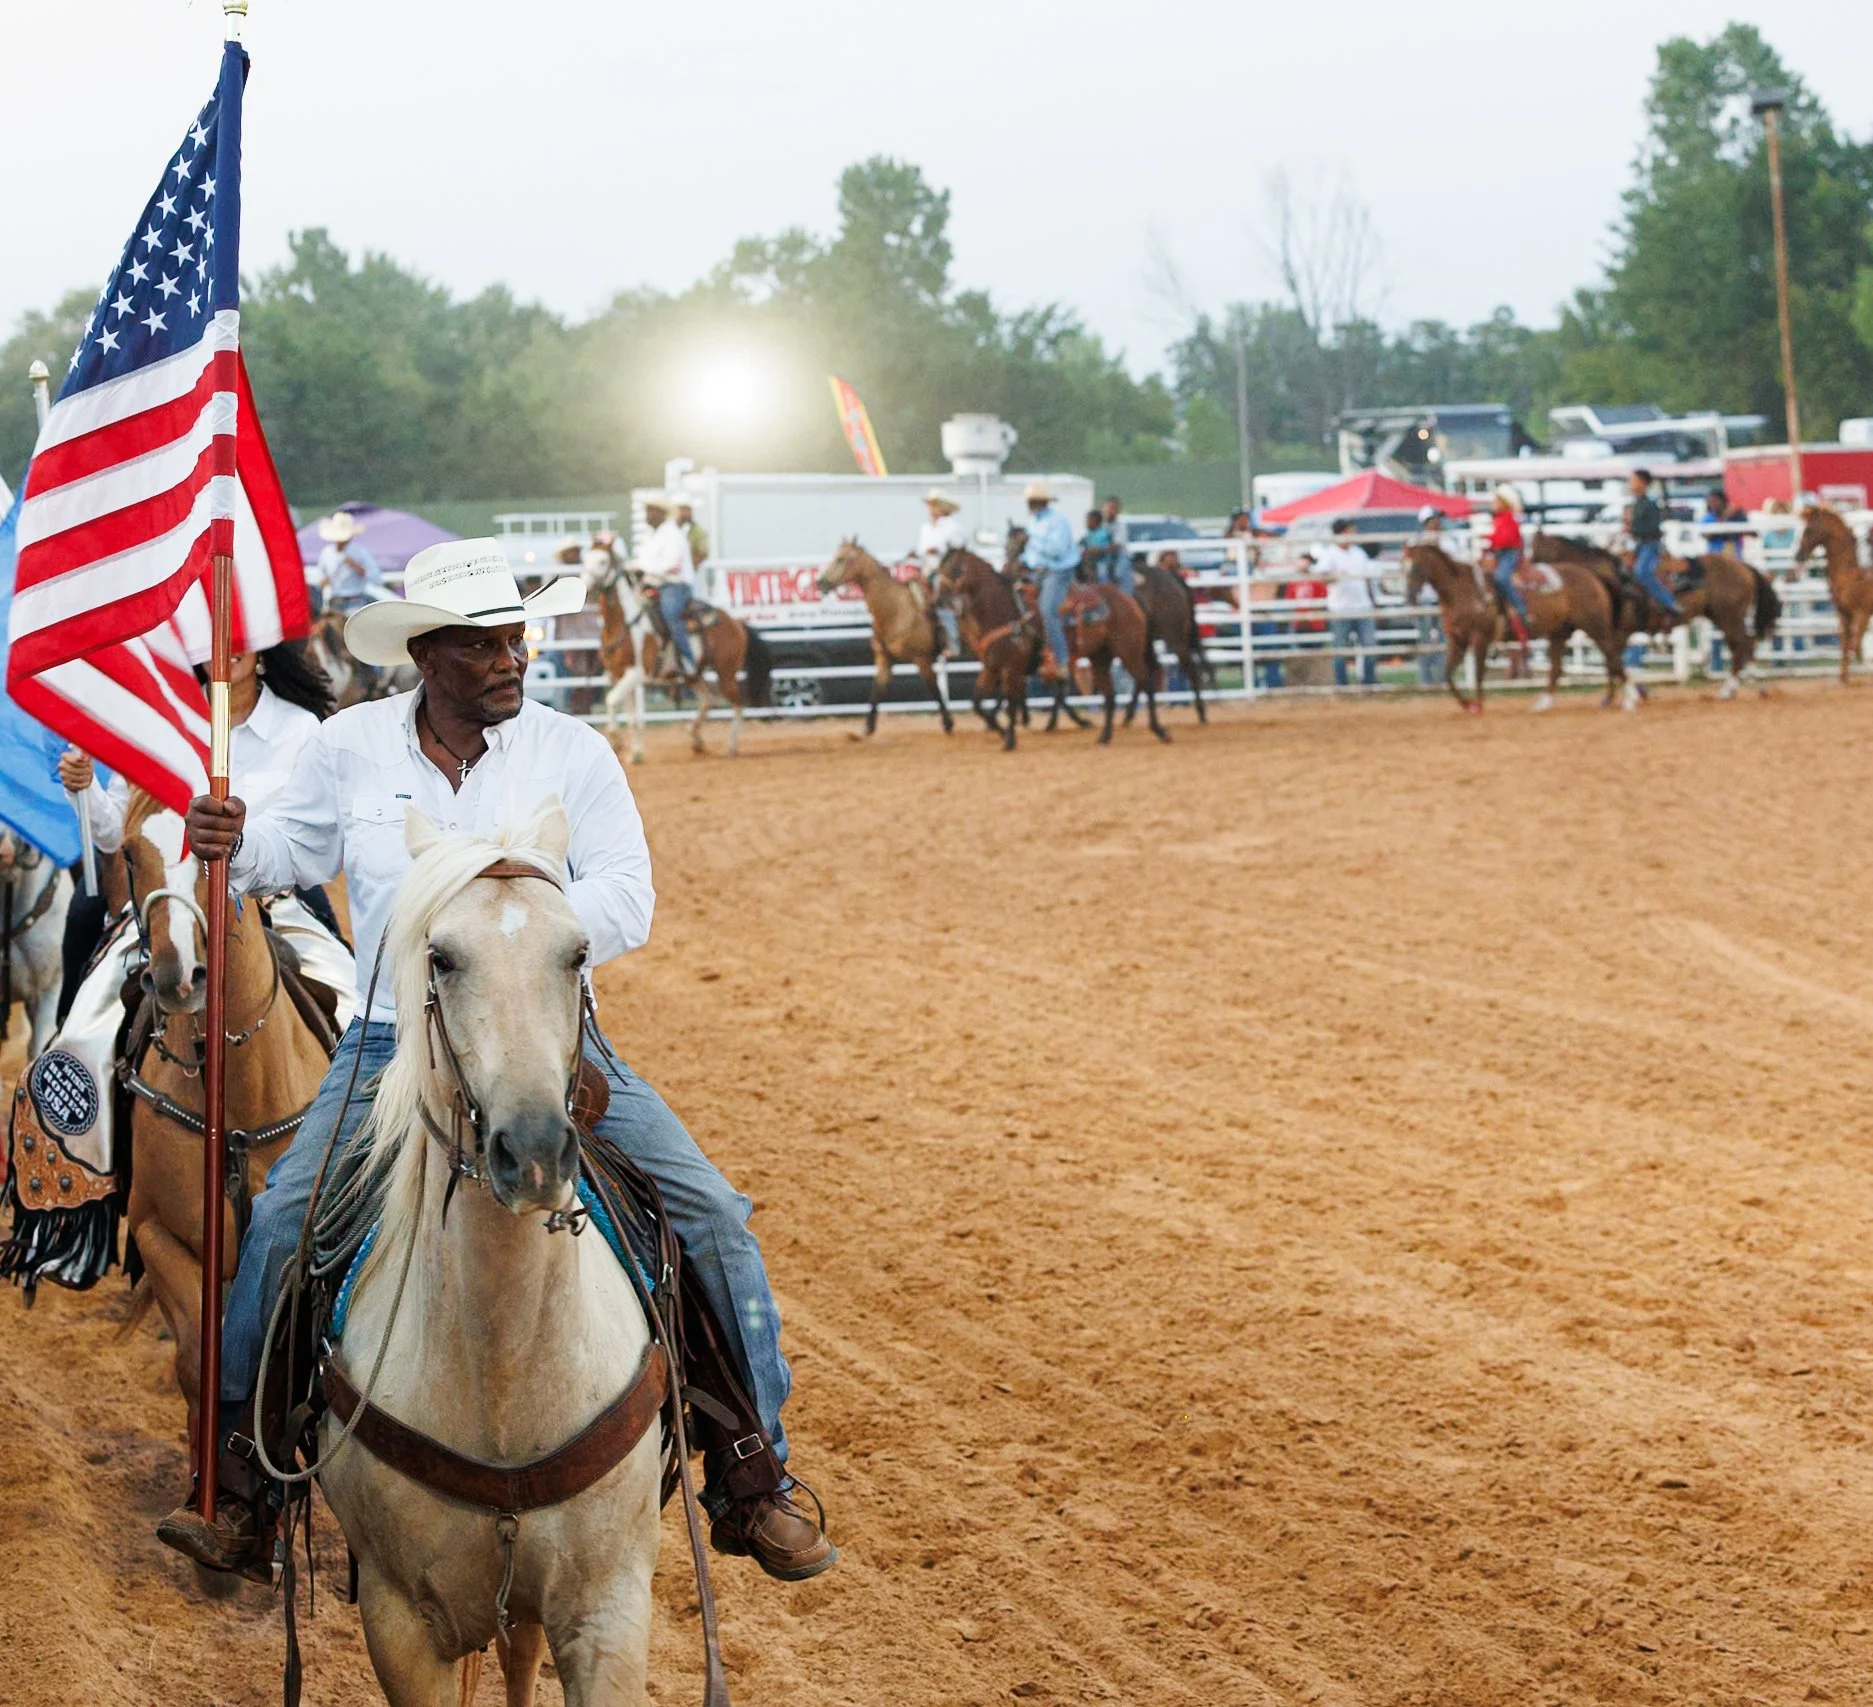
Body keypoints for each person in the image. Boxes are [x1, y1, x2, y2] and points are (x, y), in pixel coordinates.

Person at [155, 540, 834, 1586]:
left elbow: (626, 897)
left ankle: (754, 1470)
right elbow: (279, 855)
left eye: (514, 640)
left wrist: (504, 917)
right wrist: (225, 836)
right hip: (392, 1041)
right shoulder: (347, 749)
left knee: (708, 1214)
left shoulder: (575, 752)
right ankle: (244, 1485)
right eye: (481, 646)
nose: (510, 660)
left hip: (555, 1038)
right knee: (287, 1224)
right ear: (425, 655)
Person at [1019, 481, 1080, 680]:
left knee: (1048, 610)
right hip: (1036, 571)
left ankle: (1062, 659)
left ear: (1041, 502)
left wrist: (1031, 542)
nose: (1029, 505)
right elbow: (1030, 554)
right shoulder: (1033, 522)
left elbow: (1058, 551)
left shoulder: (1057, 521)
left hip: (1058, 571)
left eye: (1032, 501)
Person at [636, 493, 698, 677]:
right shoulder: (653, 536)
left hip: (674, 585)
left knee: (670, 614)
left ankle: (689, 659)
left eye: (650, 511)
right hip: (655, 584)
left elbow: (673, 565)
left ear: (661, 514)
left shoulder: (672, 534)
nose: (647, 516)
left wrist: (645, 570)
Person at [1315, 519, 1382, 688]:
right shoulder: (1329, 554)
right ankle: (1342, 685)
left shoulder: (1359, 553)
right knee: (1340, 651)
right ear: (1341, 533)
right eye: (1350, 531)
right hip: (1340, 608)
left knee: (1370, 647)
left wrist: (1373, 603)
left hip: (1362, 607)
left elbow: (1366, 581)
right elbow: (1323, 578)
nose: (1353, 534)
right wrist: (1337, 576)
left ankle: (1368, 683)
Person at [915, 490, 969, 652]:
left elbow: (959, 550)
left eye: (933, 505)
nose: (930, 509)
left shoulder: (952, 527)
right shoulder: (926, 528)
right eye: (930, 505)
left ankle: (953, 642)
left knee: (942, 600)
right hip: (928, 568)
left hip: (947, 571)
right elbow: (921, 549)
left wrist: (937, 551)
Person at [1627, 468, 1683, 619]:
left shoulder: (1649, 504)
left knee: (1642, 572)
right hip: (1639, 544)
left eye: (1633, 480)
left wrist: (1634, 530)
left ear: (1643, 483)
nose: (1630, 484)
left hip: (1650, 545)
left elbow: (1653, 529)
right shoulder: (1638, 502)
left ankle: (1670, 602)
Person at [316, 513, 390, 616]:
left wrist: (358, 568)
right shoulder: (326, 553)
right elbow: (319, 580)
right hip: (335, 602)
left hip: (355, 601)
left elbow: (376, 578)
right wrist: (325, 581)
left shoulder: (359, 552)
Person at [1413, 505, 1447, 688]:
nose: (1438, 522)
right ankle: (1427, 679)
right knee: (1426, 639)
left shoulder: (1446, 541)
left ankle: (1441, 678)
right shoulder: (1419, 544)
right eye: (1434, 519)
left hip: (1442, 598)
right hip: (1426, 597)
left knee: (1443, 639)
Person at [1488, 487, 1529, 639]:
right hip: (1502, 552)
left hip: (1509, 553)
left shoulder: (1507, 518)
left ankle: (1520, 607)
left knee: (1501, 577)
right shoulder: (1501, 519)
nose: (1493, 504)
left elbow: (1507, 539)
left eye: (1496, 501)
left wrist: (1490, 541)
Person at [1101, 496, 1134, 597]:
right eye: (1107, 508)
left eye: (1112, 508)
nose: (1109, 511)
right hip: (1104, 556)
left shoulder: (1120, 526)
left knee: (1119, 573)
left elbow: (1115, 546)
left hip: (1119, 555)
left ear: (1117, 511)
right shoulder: (1101, 525)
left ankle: (1127, 596)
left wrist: (1097, 549)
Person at [675, 494, 710, 575]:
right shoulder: (670, 529)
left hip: (687, 576)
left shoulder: (698, 531)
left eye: (686, 509)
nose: (683, 513)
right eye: (681, 509)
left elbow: (702, 554)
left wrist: (685, 568)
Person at [1081, 509, 1113, 584]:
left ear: (1096, 521)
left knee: (1102, 576)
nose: (1086, 522)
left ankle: (1104, 587)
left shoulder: (1102, 533)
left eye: (1088, 520)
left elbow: (1101, 549)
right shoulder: (1089, 533)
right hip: (1092, 562)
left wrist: (1088, 551)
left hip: (1102, 562)